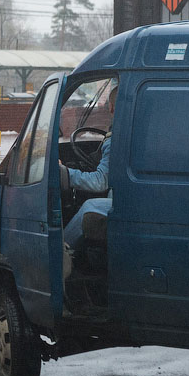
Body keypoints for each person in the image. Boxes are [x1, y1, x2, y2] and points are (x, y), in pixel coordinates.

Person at [62, 85, 117, 251]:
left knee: (90, 207)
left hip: (128, 202)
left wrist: (65, 174)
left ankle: (63, 254)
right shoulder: (129, 133)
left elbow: (100, 182)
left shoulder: (117, 140)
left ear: (111, 107)